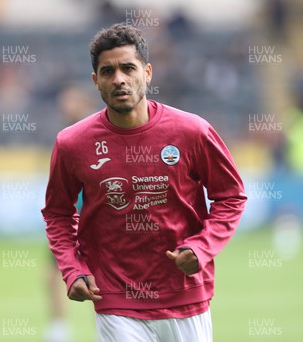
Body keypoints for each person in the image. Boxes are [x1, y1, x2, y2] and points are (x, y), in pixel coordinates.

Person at [41, 23, 247, 341]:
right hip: (115, 299)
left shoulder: (193, 132)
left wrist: (202, 248)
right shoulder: (72, 143)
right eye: (107, 71)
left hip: (185, 297)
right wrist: (72, 269)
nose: (119, 79)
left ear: (147, 72)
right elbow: (58, 213)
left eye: (128, 68)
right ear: (96, 81)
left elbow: (231, 196)